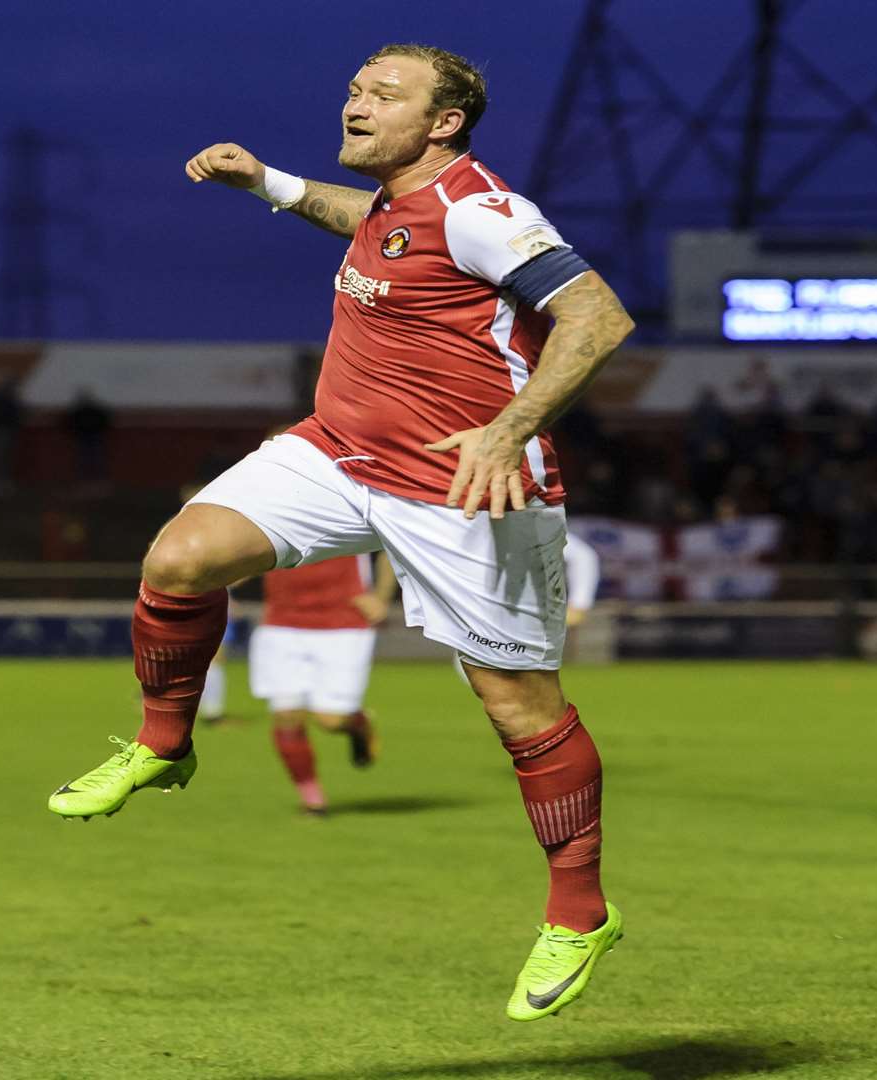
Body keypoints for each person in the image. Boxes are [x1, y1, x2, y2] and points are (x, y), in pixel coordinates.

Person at [44, 43, 635, 1021]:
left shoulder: (483, 212)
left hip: (463, 483)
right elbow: (367, 222)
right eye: (357, 88)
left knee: (520, 708)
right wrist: (266, 182)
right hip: (340, 451)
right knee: (180, 558)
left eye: (385, 95)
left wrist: (509, 429)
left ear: (443, 124)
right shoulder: (403, 203)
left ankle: (579, 913)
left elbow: (598, 317)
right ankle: (163, 744)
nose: (357, 104)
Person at [251, 552, 393, 815]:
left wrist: (382, 597)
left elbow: (391, 544)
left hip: (344, 622)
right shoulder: (266, 509)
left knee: (331, 721)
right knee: (286, 716)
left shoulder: (358, 509)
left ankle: (358, 724)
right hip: (282, 623)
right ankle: (313, 800)